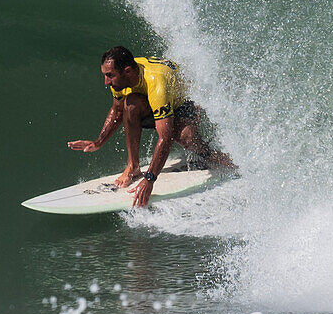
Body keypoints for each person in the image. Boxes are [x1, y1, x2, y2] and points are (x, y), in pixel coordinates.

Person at [67, 46, 234, 207]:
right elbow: (117, 111)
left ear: (127, 71)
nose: (106, 82)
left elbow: (165, 137)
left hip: (182, 101)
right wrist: (98, 142)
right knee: (130, 105)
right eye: (105, 75)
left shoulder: (156, 84)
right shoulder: (120, 80)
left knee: (185, 138)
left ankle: (214, 157)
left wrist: (149, 179)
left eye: (109, 76)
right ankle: (133, 167)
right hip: (151, 100)